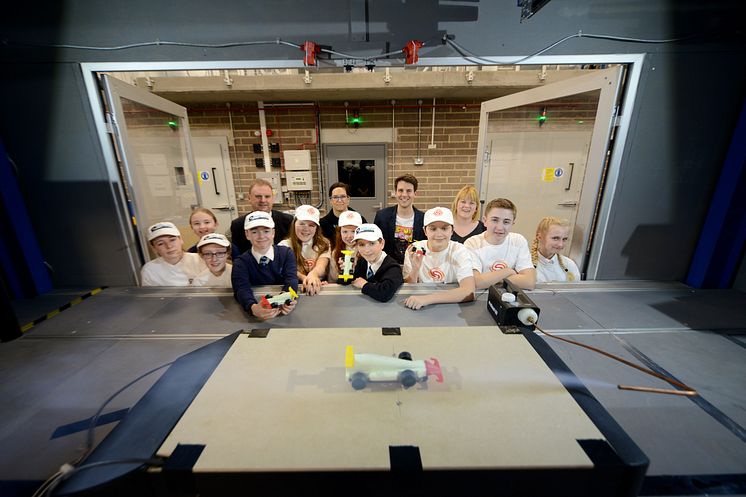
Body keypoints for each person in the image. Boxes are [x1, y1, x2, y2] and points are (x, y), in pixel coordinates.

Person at [402, 207, 476, 310]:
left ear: (452, 230)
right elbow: (407, 289)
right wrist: (415, 270)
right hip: (421, 307)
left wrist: (427, 299)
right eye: (433, 229)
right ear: (425, 231)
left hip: (452, 306)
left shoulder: (459, 251)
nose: (439, 234)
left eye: (444, 228)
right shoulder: (415, 249)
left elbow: (469, 291)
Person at [231, 211, 298, 321]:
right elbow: (241, 289)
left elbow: (291, 279)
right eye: (254, 232)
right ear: (247, 234)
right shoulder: (241, 262)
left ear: (273, 233)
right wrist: (252, 307)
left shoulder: (286, 253)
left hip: (283, 313)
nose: (261, 236)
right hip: (257, 314)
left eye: (266, 231)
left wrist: (287, 299)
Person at [465, 198, 536, 290]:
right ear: (485, 221)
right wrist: (508, 271)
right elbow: (476, 282)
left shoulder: (518, 241)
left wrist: (490, 279)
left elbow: (529, 282)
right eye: (495, 220)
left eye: (506, 222)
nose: (500, 227)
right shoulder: (472, 243)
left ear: (512, 224)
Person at [278, 205, 331, 296]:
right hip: (293, 290)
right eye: (302, 223)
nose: (306, 228)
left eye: (311, 225)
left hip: (317, 289)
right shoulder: (284, 245)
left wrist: (314, 275)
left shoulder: (324, 243)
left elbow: (321, 265)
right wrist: (307, 279)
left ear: (316, 228)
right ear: (294, 224)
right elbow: (288, 269)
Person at [230, 178, 292, 254]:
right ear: (249, 198)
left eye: (267, 196)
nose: (263, 200)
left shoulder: (288, 221)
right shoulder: (238, 225)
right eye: (258, 196)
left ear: (273, 198)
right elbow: (237, 256)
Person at [373, 174, 425, 264]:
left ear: (415, 194)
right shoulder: (382, 216)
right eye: (400, 190)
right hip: (387, 268)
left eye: (409, 191)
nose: (404, 195)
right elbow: (375, 244)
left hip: (414, 269)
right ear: (396, 192)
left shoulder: (424, 219)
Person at [140, 221, 206, 286]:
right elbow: (150, 296)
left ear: (181, 240)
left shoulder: (201, 260)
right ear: (154, 248)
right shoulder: (150, 270)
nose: (169, 246)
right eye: (161, 243)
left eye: (172, 240)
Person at [350, 223, 403, 302]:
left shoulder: (393, 268)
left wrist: (364, 285)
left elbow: (385, 293)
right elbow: (351, 281)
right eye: (361, 244)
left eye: (372, 243)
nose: (367, 250)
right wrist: (346, 271)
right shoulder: (362, 262)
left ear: (382, 243)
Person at [532, 217, 581, 283]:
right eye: (555, 238)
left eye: (564, 239)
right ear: (539, 237)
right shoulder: (525, 263)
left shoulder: (569, 265)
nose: (560, 244)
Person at [328, 210, 363, 282]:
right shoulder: (335, 252)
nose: (349, 236)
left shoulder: (367, 250)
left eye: (353, 231)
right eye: (345, 232)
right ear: (339, 233)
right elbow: (333, 279)